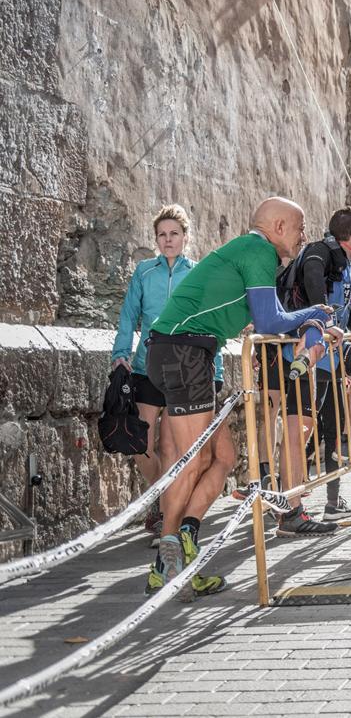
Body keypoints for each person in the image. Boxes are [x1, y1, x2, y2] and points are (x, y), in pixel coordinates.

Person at [144, 197, 335, 601]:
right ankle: (165, 563)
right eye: (300, 228)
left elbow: (268, 315)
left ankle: (187, 540)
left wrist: (307, 318)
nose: (303, 237)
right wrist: (315, 313)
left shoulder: (250, 252)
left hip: (189, 352)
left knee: (225, 459)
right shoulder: (259, 251)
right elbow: (270, 320)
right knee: (192, 460)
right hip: (185, 352)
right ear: (279, 226)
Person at [111, 204, 223, 541]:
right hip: (147, 368)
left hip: (187, 372)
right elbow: (129, 317)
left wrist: (213, 369)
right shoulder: (145, 272)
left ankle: (167, 515)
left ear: (185, 237)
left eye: (174, 233)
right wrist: (121, 355)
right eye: (162, 234)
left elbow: (210, 325)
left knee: (176, 449)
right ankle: (166, 500)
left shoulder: (199, 273)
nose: (168, 239)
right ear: (156, 239)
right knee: (140, 446)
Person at [273, 207, 351, 523]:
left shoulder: (349, 267)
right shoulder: (318, 253)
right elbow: (313, 288)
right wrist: (323, 322)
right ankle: (289, 509)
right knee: (302, 430)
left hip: (332, 351)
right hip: (304, 351)